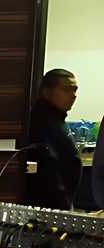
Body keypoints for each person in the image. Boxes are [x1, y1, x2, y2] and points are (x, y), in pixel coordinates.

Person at [27, 68, 81, 210]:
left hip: (63, 202)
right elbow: (48, 169)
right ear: (47, 92)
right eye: (66, 90)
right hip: (50, 206)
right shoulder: (41, 121)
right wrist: (64, 206)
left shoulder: (57, 119)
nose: (73, 95)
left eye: (75, 90)